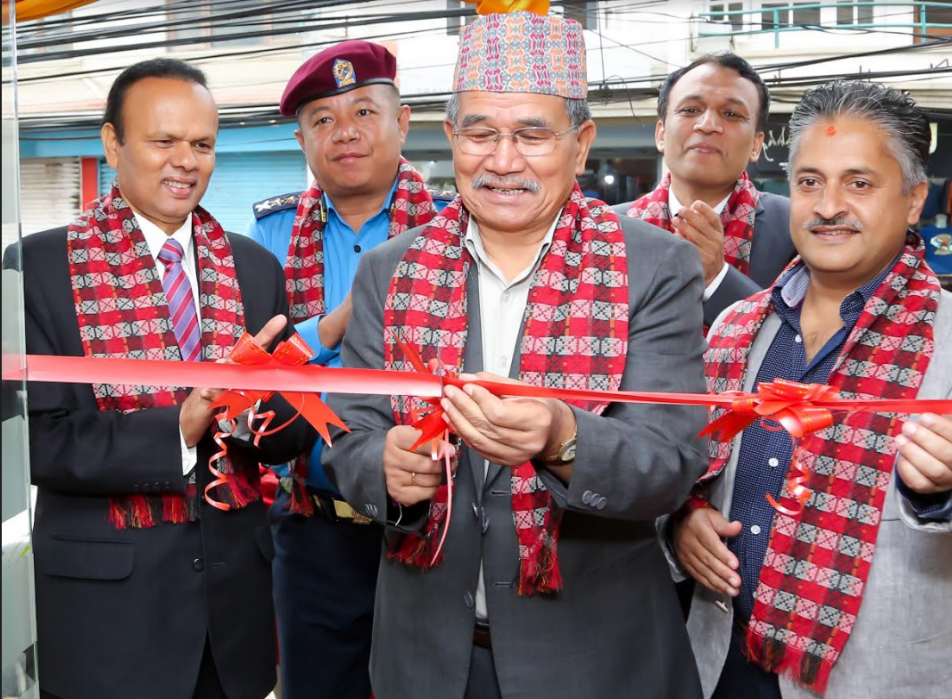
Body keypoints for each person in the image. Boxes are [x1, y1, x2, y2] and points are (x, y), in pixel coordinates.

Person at [322, 8, 709, 699]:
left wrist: (564, 438)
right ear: (451, 138)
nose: (503, 161)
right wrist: (382, 466)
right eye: (481, 134)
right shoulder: (391, 270)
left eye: (532, 135)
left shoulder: (654, 268)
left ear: (581, 145)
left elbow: (671, 463)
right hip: (426, 659)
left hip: (596, 664)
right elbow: (349, 435)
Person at [670, 81, 952, 699]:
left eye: (859, 183)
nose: (827, 206)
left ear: (913, 199)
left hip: (880, 680)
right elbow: (686, 461)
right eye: (809, 182)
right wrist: (682, 522)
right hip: (721, 667)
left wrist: (949, 484)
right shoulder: (735, 326)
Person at [7, 59, 310, 699]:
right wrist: (179, 428)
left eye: (202, 144)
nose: (185, 161)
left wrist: (264, 410)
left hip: (233, 616)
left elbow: (288, 436)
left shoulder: (255, 268)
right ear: (113, 143)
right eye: (163, 140)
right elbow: (34, 442)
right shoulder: (35, 269)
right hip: (104, 618)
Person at [243, 40, 443, 699]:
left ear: (402, 123)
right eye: (323, 119)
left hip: (437, 521)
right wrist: (332, 325)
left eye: (363, 112)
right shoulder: (267, 240)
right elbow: (246, 379)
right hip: (312, 527)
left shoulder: (453, 230)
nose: (346, 132)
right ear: (301, 139)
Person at [615, 53, 795, 327]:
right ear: (661, 134)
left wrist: (717, 277)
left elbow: (803, 340)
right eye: (690, 110)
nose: (708, 125)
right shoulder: (609, 228)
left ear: (756, 145)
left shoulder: (795, 227)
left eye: (731, 114)